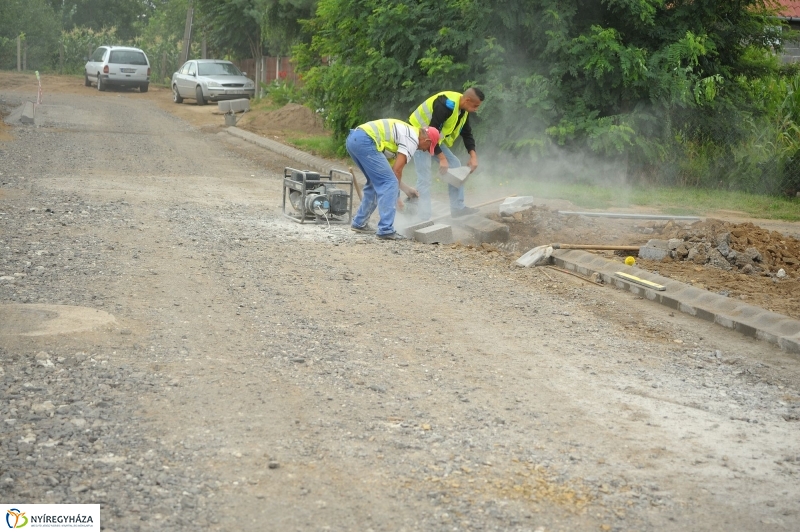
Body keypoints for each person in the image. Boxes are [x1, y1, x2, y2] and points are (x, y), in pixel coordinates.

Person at [347, 119, 440, 240]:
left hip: (355, 139)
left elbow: (391, 173)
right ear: (426, 140)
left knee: (376, 182)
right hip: (365, 140)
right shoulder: (412, 139)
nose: (424, 150)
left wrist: (407, 189)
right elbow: (395, 174)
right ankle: (385, 230)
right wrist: (397, 198)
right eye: (428, 147)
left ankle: (359, 223)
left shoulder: (406, 135)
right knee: (388, 182)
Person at [408, 87, 485, 220]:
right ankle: (423, 217)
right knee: (424, 177)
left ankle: (457, 208)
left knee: (455, 164)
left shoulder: (462, 110)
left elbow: (467, 133)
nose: (476, 109)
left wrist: (473, 156)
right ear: (467, 100)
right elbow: (431, 131)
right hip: (419, 138)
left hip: (433, 138)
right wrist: (442, 158)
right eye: (475, 106)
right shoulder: (445, 105)